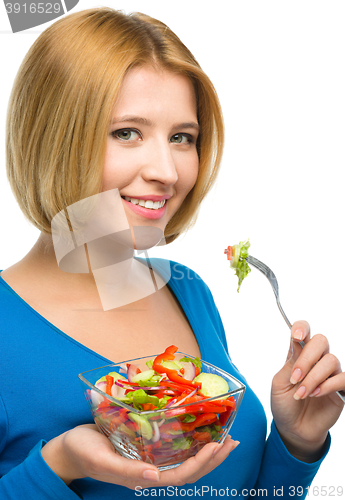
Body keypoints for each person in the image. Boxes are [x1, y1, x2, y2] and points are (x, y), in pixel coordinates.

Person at [0, 7, 344, 500]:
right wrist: (59, 465)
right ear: (51, 140)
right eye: (126, 133)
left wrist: (297, 442)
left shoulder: (186, 290)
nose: (167, 170)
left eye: (182, 137)